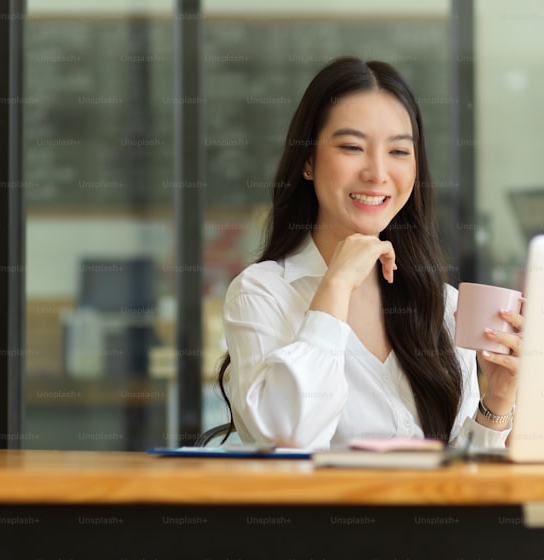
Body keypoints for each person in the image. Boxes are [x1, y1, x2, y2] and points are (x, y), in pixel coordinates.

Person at [217, 56, 521, 450]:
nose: (377, 173)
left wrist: (495, 403)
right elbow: (286, 436)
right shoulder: (262, 292)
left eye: (398, 152)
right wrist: (337, 284)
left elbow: (458, 474)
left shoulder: (443, 305)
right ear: (308, 161)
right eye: (352, 147)